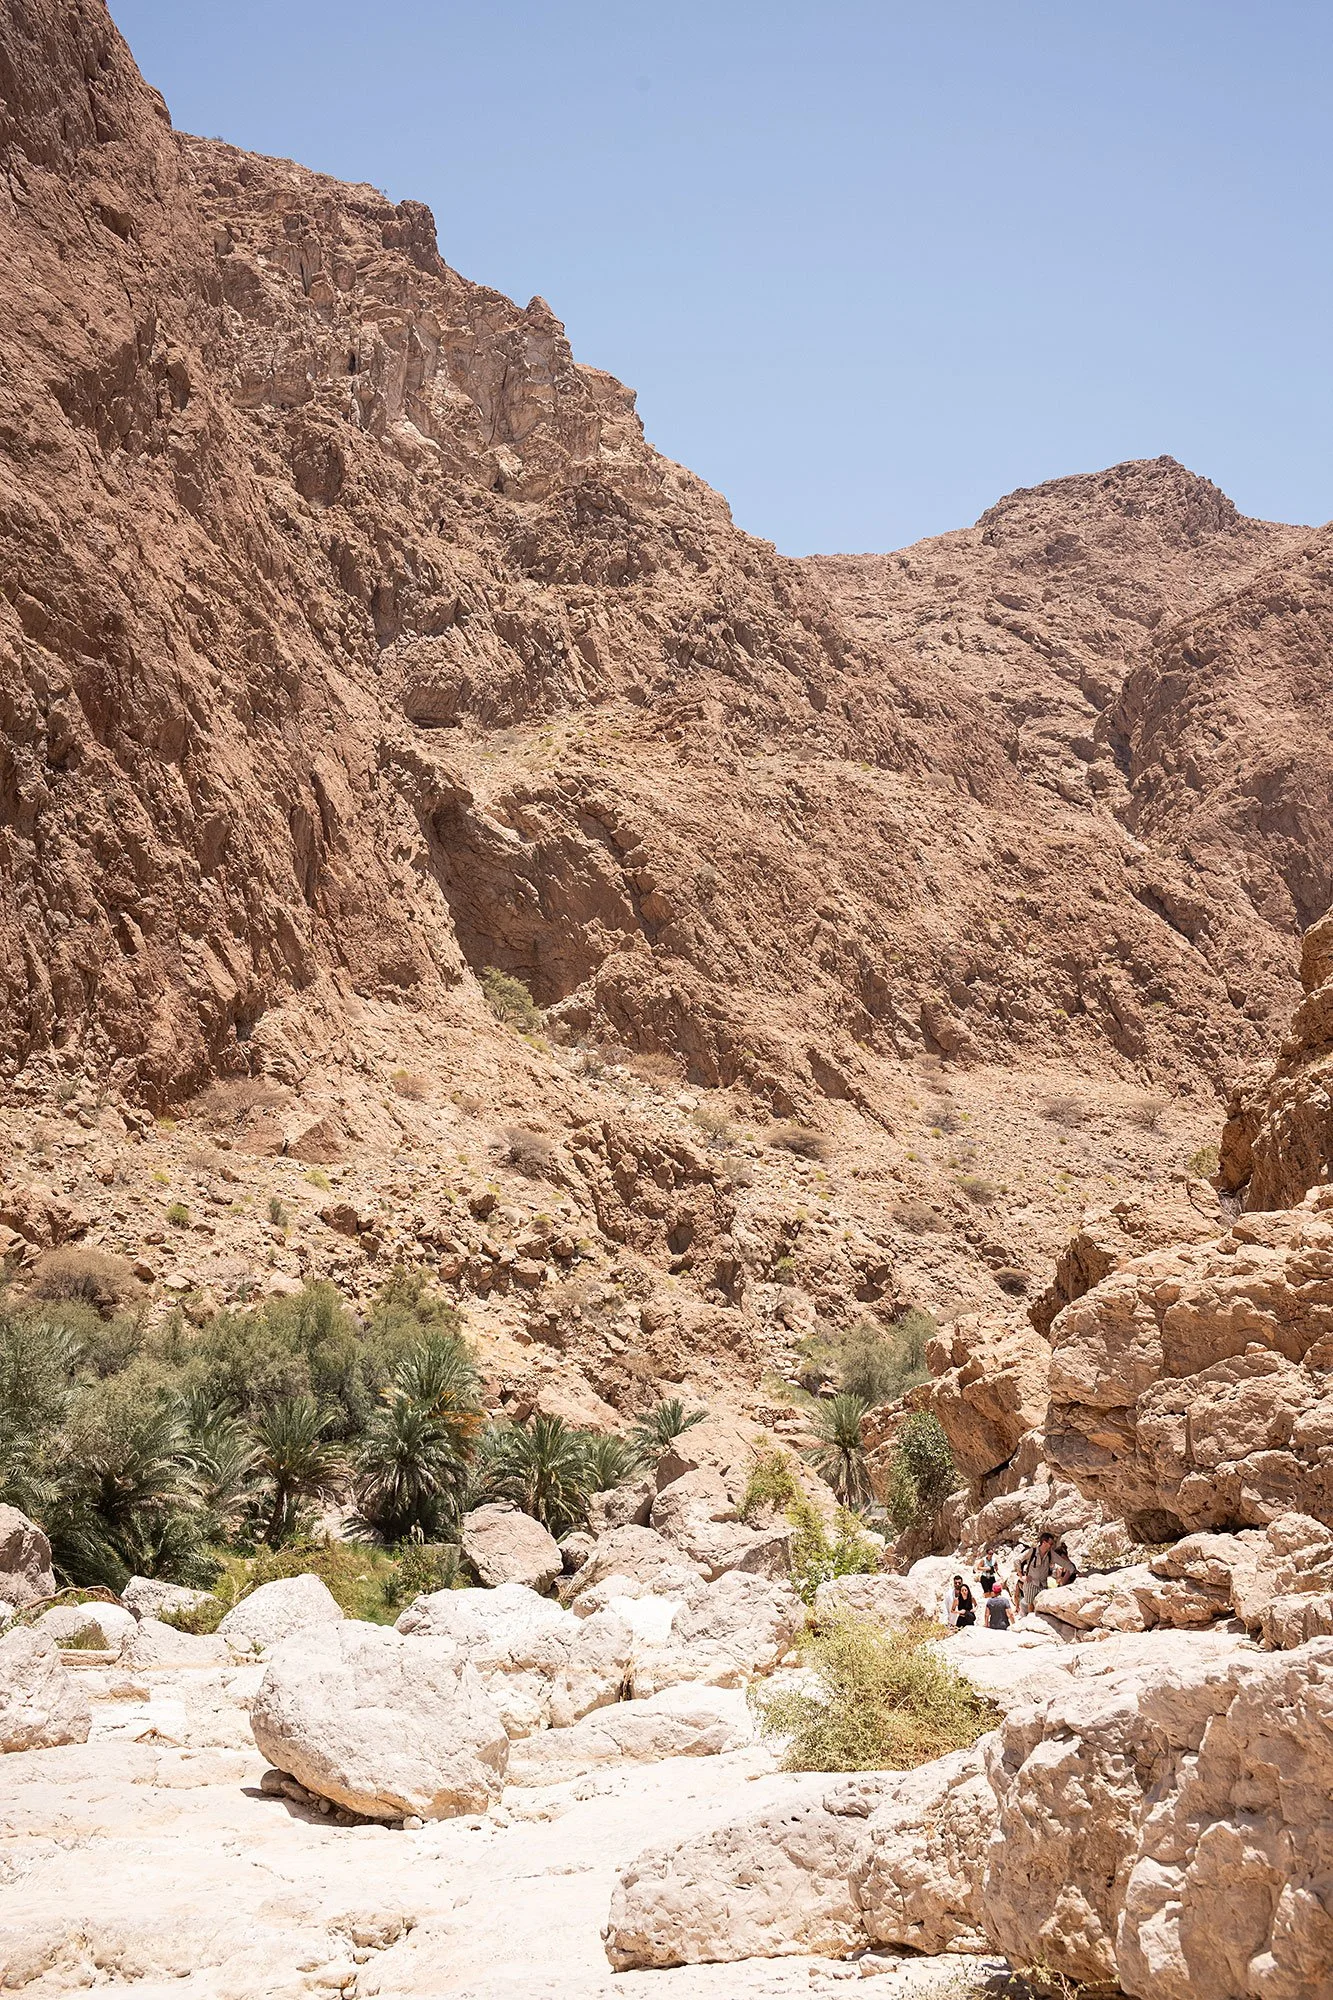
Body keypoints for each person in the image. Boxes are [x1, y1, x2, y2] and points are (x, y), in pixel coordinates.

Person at [1018, 1530, 1057, 1614]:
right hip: (1031, 1583)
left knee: (1041, 1605)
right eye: (1050, 1543)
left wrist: (1073, 1569)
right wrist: (1021, 1576)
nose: (1051, 1545)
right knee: (1031, 1605)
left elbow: (1063, 1562)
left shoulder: (1050, 1554)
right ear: (1044, 1542)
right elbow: (1017, 1561)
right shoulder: (1032, 1551)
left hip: (1043, 1584)